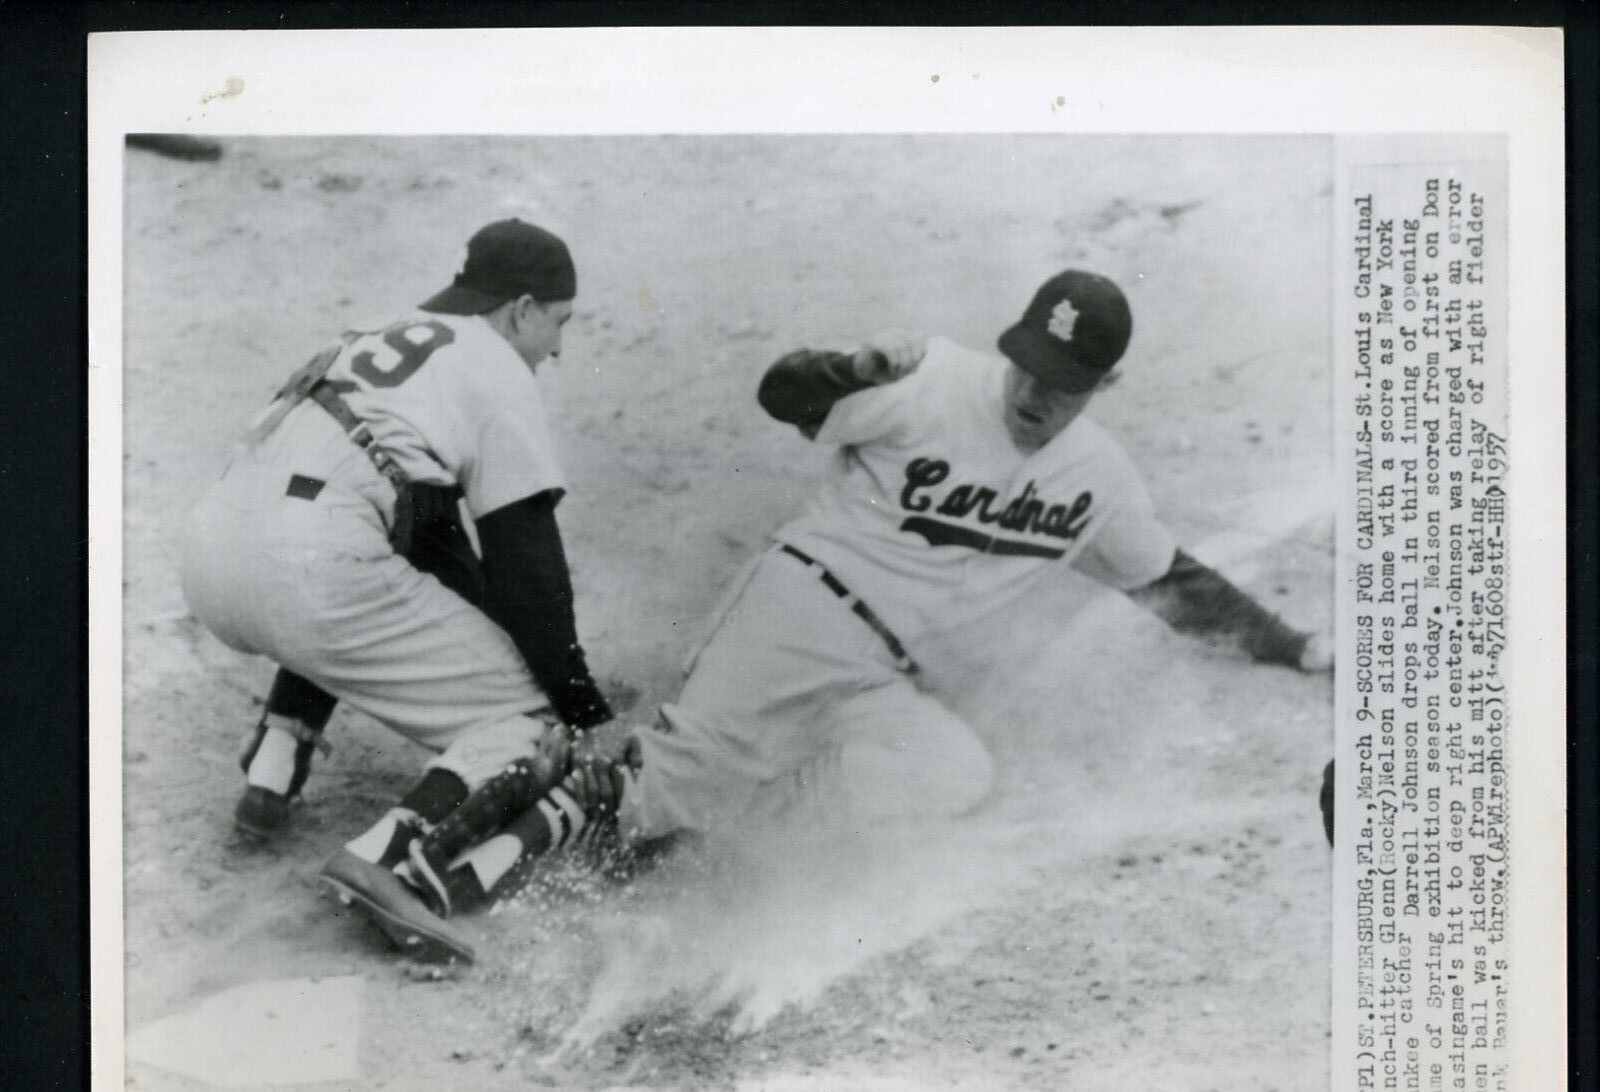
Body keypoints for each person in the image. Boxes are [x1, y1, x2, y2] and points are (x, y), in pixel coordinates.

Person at [389, 267, 1333, 950]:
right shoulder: (935, 379)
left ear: (1105, 385)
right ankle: (443, 875)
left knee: (952, 769)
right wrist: (846, 366)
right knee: (669, 776)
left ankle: (707, 842)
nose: (1036, 391)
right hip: (798, 608)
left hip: (884, 678)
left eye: (1065, 380)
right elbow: (779, 393)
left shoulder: (1101, 483)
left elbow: (1172, 582)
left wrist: (1291, 645)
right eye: (1029, 363)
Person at [182, 218, 618, 964]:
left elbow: (434, 559)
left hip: (210, 551)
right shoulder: (497, 366)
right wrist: (584, 713)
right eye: (557, 322)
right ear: (519, 309)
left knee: (379, 568)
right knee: (527, 716)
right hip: (313, 569)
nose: (558, 347)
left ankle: (275, 762)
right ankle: (383, 859)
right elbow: (529, 574)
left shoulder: (375, 332)